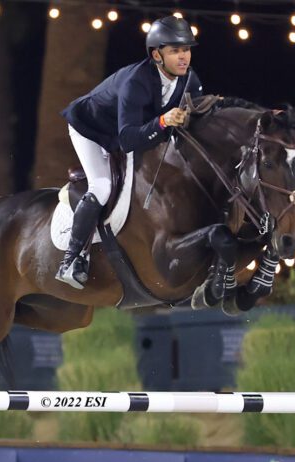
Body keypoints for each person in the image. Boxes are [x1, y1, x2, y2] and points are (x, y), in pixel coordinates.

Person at [56, 15, 204, 289]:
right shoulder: (137, 81)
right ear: (157, 55)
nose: (184, 57)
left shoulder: (189, 80)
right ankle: (71, 259)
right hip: (92, 129)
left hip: (129, 129)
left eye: (186, 49)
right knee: (102, 185)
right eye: (175, 51)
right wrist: (162, 122)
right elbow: (127, 140)